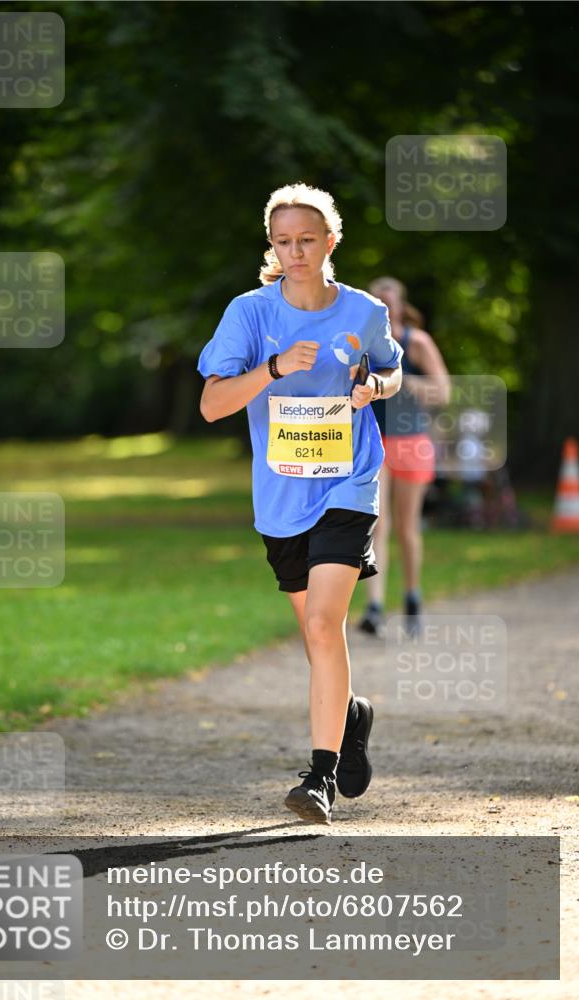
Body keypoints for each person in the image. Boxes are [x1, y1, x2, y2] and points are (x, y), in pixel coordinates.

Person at [197, 183, 403, 825]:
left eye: (307, 240)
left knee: (323, 624)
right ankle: (352, 717)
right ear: (272, 246)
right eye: (284, 242)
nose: (295, 252)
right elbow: (212, 404)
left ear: (330, 241)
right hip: (282, 493)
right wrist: (275, 368)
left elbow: (392, 369)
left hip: (348, 478)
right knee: (316, 637)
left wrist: (373, 383)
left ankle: (319, 777)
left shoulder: (365, 311)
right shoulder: (250, 314)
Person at [357, 277, 450, 638]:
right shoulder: (360, 342)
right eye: (375, 299)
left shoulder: (416, 342)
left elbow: (443, 391)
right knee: (377, 523)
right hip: (374, 441)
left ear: (399, 304)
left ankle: (412, 596)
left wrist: (400, 382)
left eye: (388, 298)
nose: (382, 303)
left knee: (407, 528)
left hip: (412, 441)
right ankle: (375, 607)